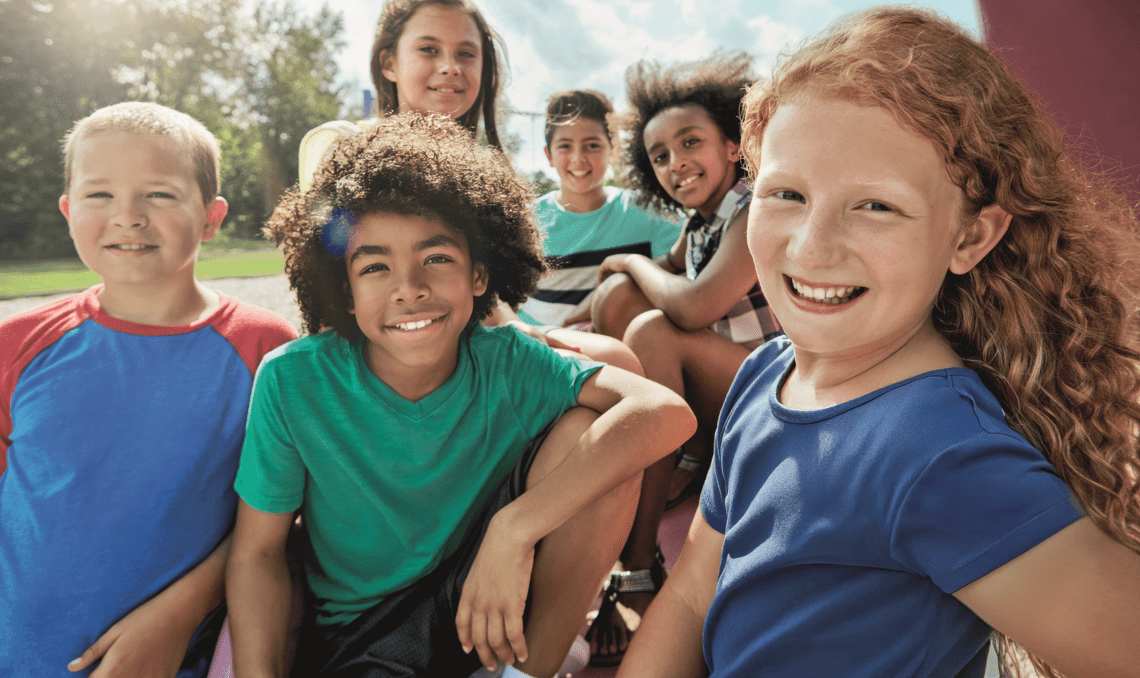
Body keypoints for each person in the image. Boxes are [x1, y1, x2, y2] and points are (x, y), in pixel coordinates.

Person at [618, 6, 1140, 678]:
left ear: (970, 237)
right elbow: (692, 593)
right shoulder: (764, 374)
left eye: (876, 205)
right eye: (785, 194)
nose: (812, 247)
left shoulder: (940, 457)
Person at [225, 113, 696, 678]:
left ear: (479, 274)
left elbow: (663, 412)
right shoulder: (292, 381)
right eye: (374, 266)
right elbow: (257, 554)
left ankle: (531, 671)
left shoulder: (504, 359)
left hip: (494, 603)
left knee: (593, 436)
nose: (410, 287)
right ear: (343, 291)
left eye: (437, 257)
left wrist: (513, 529)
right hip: (367, 635)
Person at [0, 102, 297, 677]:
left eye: (159, 194)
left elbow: (276, 523)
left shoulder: (265, 349)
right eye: (99, 195)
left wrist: (176, 615)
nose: (127, 216)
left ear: (211, 217)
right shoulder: (18, 343)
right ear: (67, 211)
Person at [585, 53, 782, 666]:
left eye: (690, 142)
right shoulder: (700, 222)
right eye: (660, 156)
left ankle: (640, 562)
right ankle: (678, 448)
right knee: (620, 300)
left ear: (731, 144)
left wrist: (630, 260)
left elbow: (694, 306)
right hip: (727, 385)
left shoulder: (753, 208)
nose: (675, 164)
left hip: (777, 385)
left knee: (653, 325)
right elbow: (663, 276)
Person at [297, 0, 507, 190]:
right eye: (428, 49)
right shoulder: (339, 142)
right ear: (389, 65)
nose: (450, 67)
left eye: (466, 53)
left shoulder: (490, 182)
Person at [513, 89, 681, 331]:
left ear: (612, 150)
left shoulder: (651, 212)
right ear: (548, 155)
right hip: (541, 350)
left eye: (592, 145)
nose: (578, 159)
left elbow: (679, 283)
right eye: (565, 146)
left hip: (621, 354)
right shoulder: (524, 222)